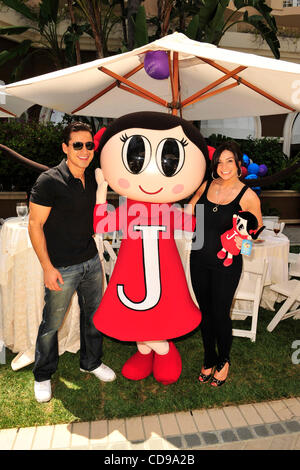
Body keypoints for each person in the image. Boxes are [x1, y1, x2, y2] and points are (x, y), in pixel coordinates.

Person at [92, 111, 210, 385]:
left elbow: (194, 225)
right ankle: (147, 350)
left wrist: (197, 197)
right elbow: (100, 225)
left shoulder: (168, 209)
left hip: (165, 275)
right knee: (133, 314)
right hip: (131, 273)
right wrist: (101, 189)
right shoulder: (128, 208)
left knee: (160, 313)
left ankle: (164, 349)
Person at [28, 121, 116, 403]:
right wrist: (47, 267)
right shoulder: (48, 181)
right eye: (77, 145)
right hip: (61, 268)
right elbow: (34, 225)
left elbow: (98, 216)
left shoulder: (92, 179)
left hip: (90, 261)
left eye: (89, 145)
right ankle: (43, 374)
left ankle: (90, 362)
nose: (84, 150)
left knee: (94, 318)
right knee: (51, 324)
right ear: (65, 148)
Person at [189, 141, 263, 387]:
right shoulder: (206, 185)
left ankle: (224, 360)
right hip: (198, 257)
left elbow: (257, 232)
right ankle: (208, 358)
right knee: (205, 313)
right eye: (219, 162)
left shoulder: (247, 195)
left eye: (229, 161)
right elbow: (191, 212)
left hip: (226, 265)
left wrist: (244, 238)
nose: (224, 166)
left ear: (239, 164)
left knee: (220, 313)